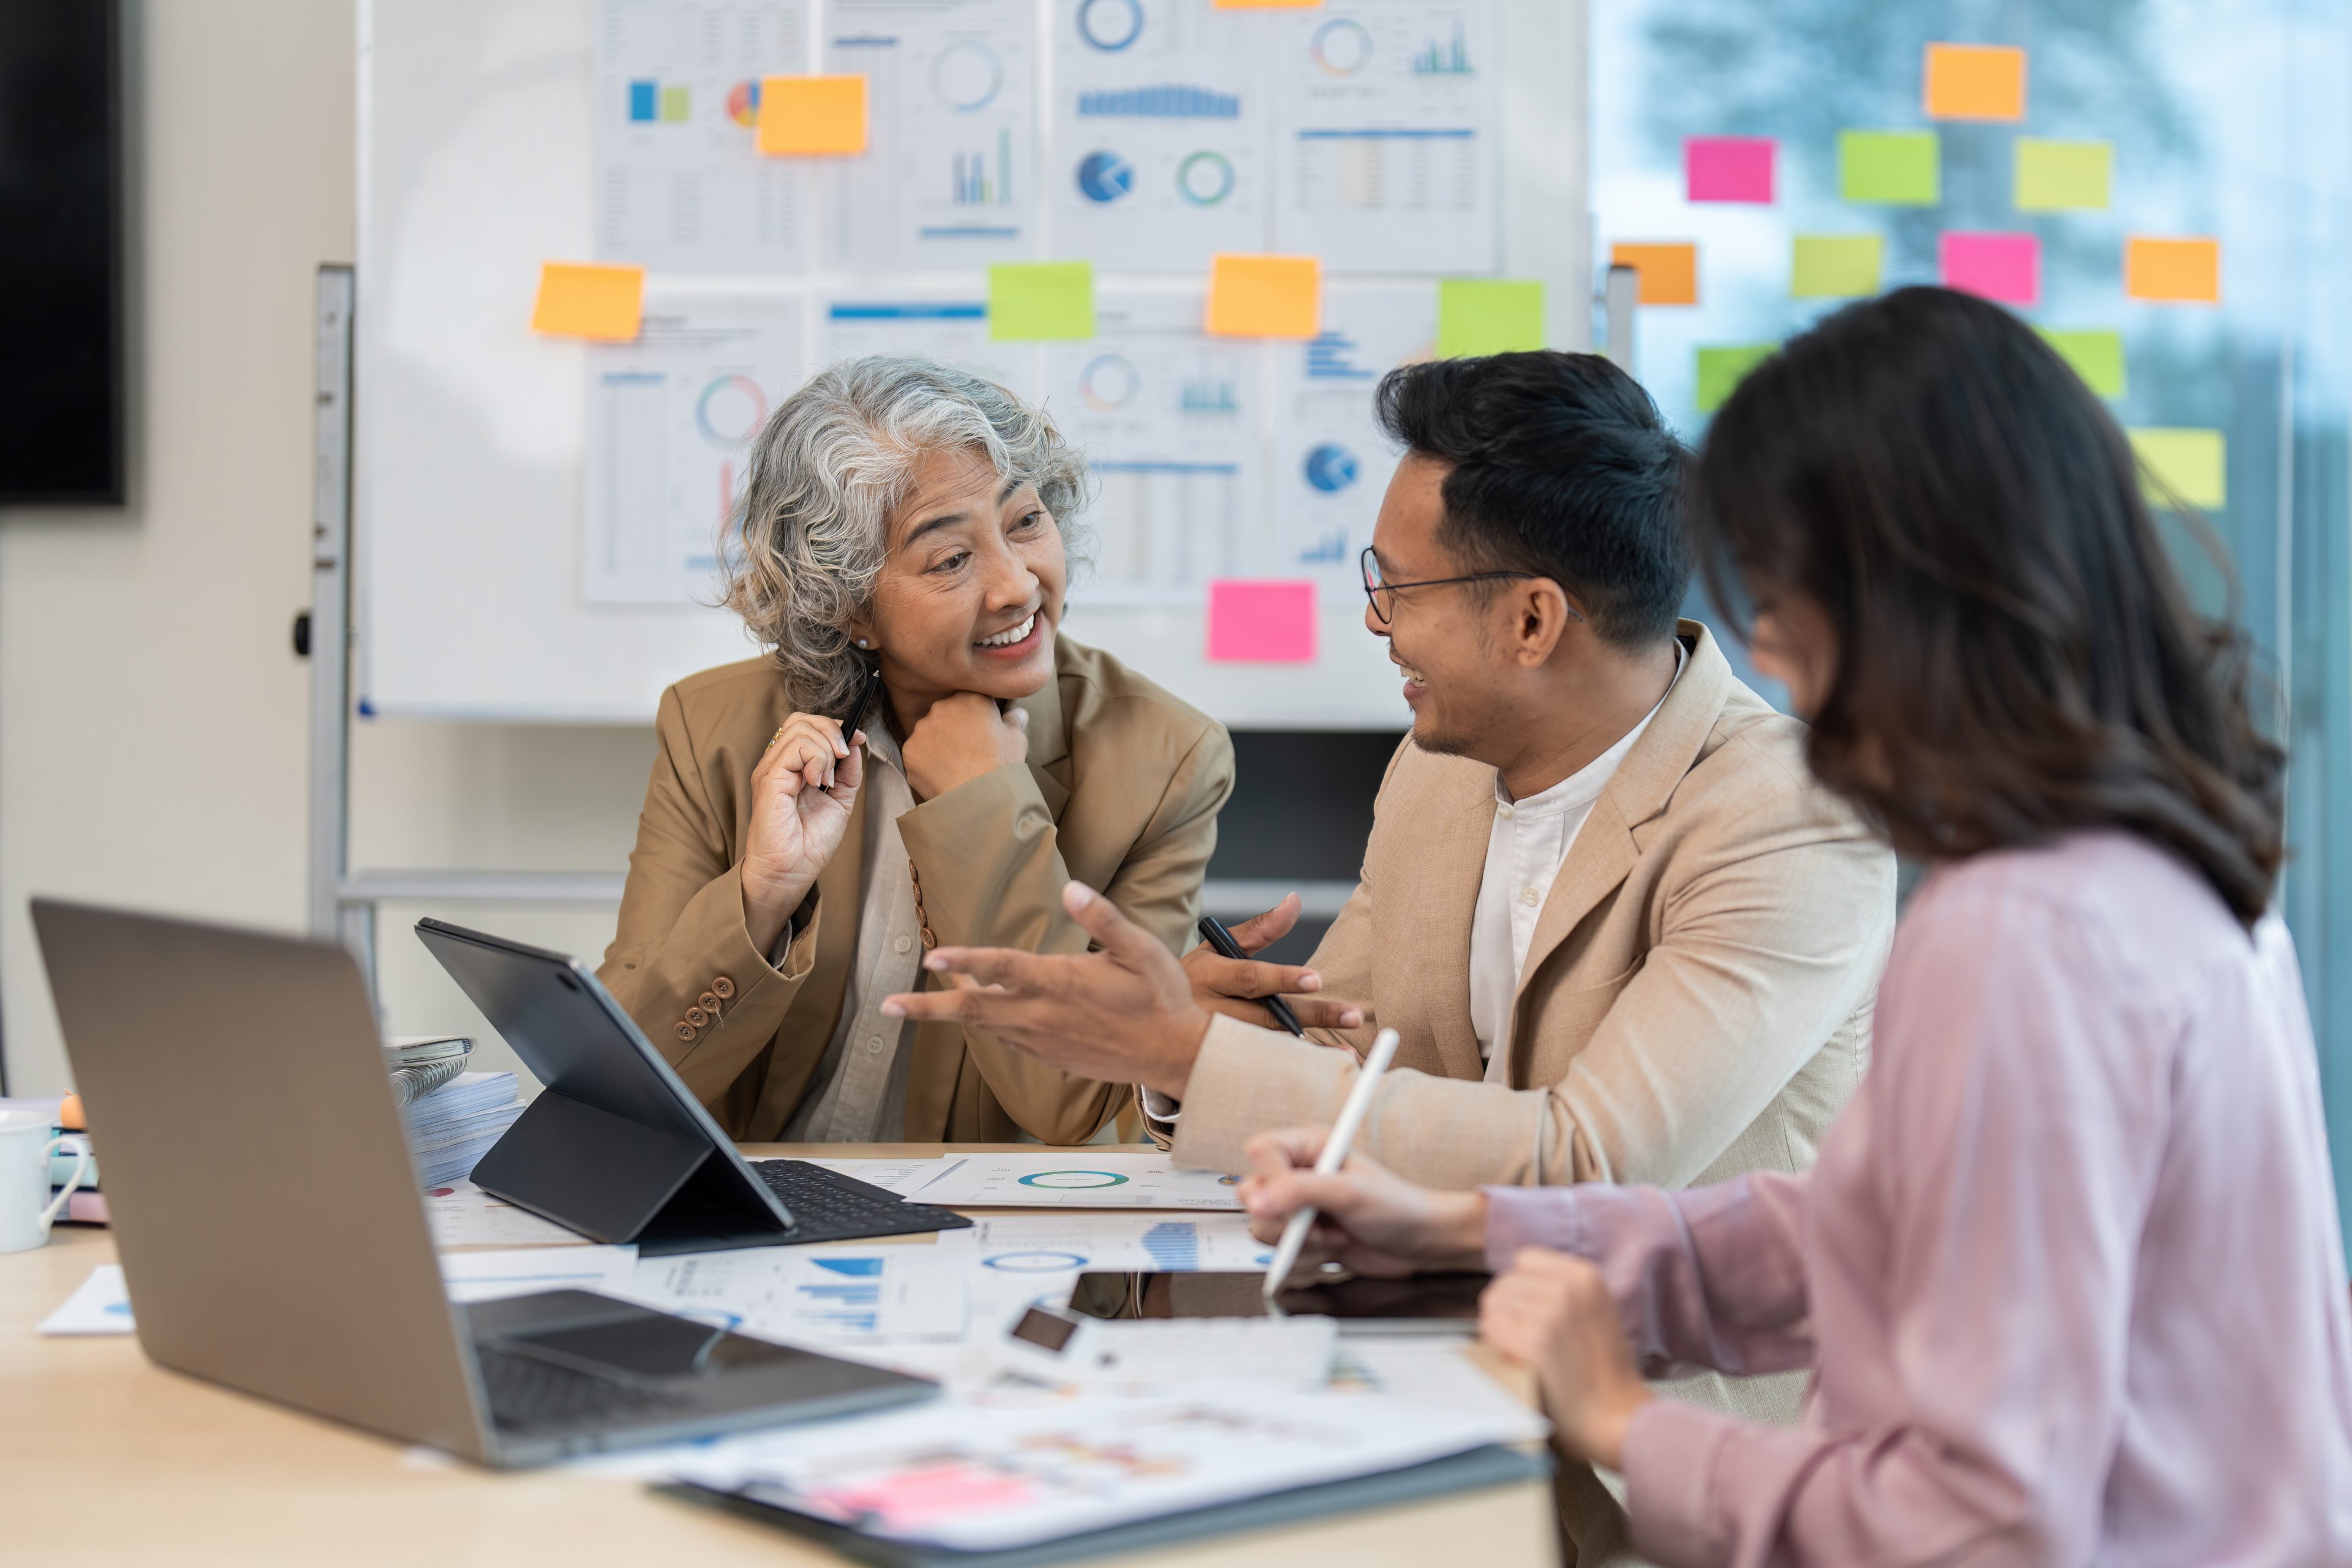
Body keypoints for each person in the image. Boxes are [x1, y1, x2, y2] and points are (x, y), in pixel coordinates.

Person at [1233, 287, 2352, 1564]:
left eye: (1782, 594)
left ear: (1909, 598)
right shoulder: (2140, 865)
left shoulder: (2029, 933)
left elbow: (1983, 1523)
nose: (1765, 643)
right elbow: (1869, 1229)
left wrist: (1625, 1420)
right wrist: (1480, 1230)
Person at [883, 352, 1896, 1510]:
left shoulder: (1790, 819)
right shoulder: (1438, 766)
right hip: (1399, 1372)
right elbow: (1352, 1061)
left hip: (1654, 1462)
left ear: (1530, 619)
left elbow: (1591, 1167)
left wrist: (1180, 1055)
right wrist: (1192, 1032)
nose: (1373, 620)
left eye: (1396, 588)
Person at [599, 355, 1232, 1145]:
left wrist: (985, 810)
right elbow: (623, 1078)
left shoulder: (1166, 758)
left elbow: (1072, 1103)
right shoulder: (715, 726)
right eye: (952, 559)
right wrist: (763, 894)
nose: (1017, 586)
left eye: (1025, 521)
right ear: (847, 605)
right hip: (756, 1220)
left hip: (992, 1239)